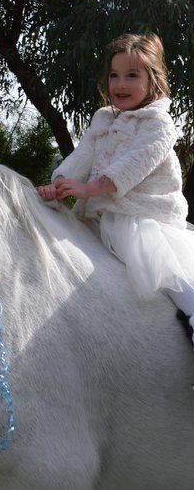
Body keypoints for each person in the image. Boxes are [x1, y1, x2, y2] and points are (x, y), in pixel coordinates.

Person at [37, 33, 194, 343]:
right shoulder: (103, 119)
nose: (120, 84)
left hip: (139, 217)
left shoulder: (158, 124)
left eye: (132, 76)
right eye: (114, 75)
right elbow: (82, 155)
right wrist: (60, 182)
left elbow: (132, 167)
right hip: (100, 215)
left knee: (171, 274)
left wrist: (87, 189)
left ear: (153, 81)